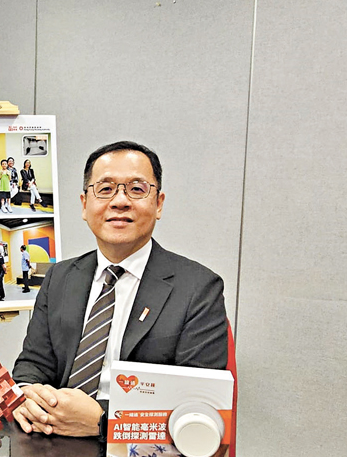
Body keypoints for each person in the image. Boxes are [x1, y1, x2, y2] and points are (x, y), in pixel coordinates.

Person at [12, 141, 228, 438]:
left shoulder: (198, 289)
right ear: (84, 205)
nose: (120, 201)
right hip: (50, 438)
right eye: (105, 189)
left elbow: (198, 407)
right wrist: (27, 396)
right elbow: (33, 364)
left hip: (140, 454)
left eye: (137, 189)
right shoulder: (60, 277)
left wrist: (103, 422)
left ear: (159, 203)